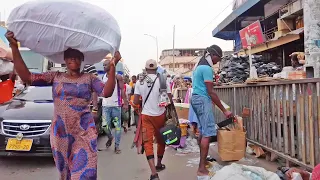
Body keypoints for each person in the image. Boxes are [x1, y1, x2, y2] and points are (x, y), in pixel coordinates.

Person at [6, 31, 121, 180]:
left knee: (86, 173)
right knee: (65, 174)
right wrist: (14, 47)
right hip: (61, 134)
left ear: (82, 60)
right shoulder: (55, 77)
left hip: (84, 132)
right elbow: (27, 77)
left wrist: (112, 66)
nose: (73, 58)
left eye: (77, 56)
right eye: (70, 56)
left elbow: (106, 92)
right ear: (64, 60)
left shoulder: (89, 78)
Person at [191, 45, 233, 179]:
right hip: (202, 100)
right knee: (208, 134)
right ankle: (201, 168)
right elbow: (211, 91)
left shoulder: (199, 66)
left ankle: (203, 161)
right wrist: (224, 110)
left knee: (203, 131)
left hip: (196, 98)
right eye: (218, 58)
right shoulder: (207, 68)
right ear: (213, 55)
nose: (217, 61)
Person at [133, 59, 172, 180]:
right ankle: (159, 163)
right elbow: (169, 99)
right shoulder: (163, 80)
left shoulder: (140, 82)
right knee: (161, 140)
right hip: (160, 115)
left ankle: (154, 173)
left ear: (145, 69)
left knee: (148, 143)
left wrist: (142, 102)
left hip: (146, 116)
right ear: (156, 69)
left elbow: (135, 101)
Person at [101, 58, 128, 154]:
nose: (104, 67)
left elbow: (122, 90)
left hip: (116, 106)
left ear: (111, 66)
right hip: (105, 106)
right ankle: (110, 137)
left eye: (106, 65)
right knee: (104, 126)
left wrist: (125, 103)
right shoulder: (103, 77)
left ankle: (117, 146)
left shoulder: (118, 77)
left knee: (117, 127)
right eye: (103, 65)